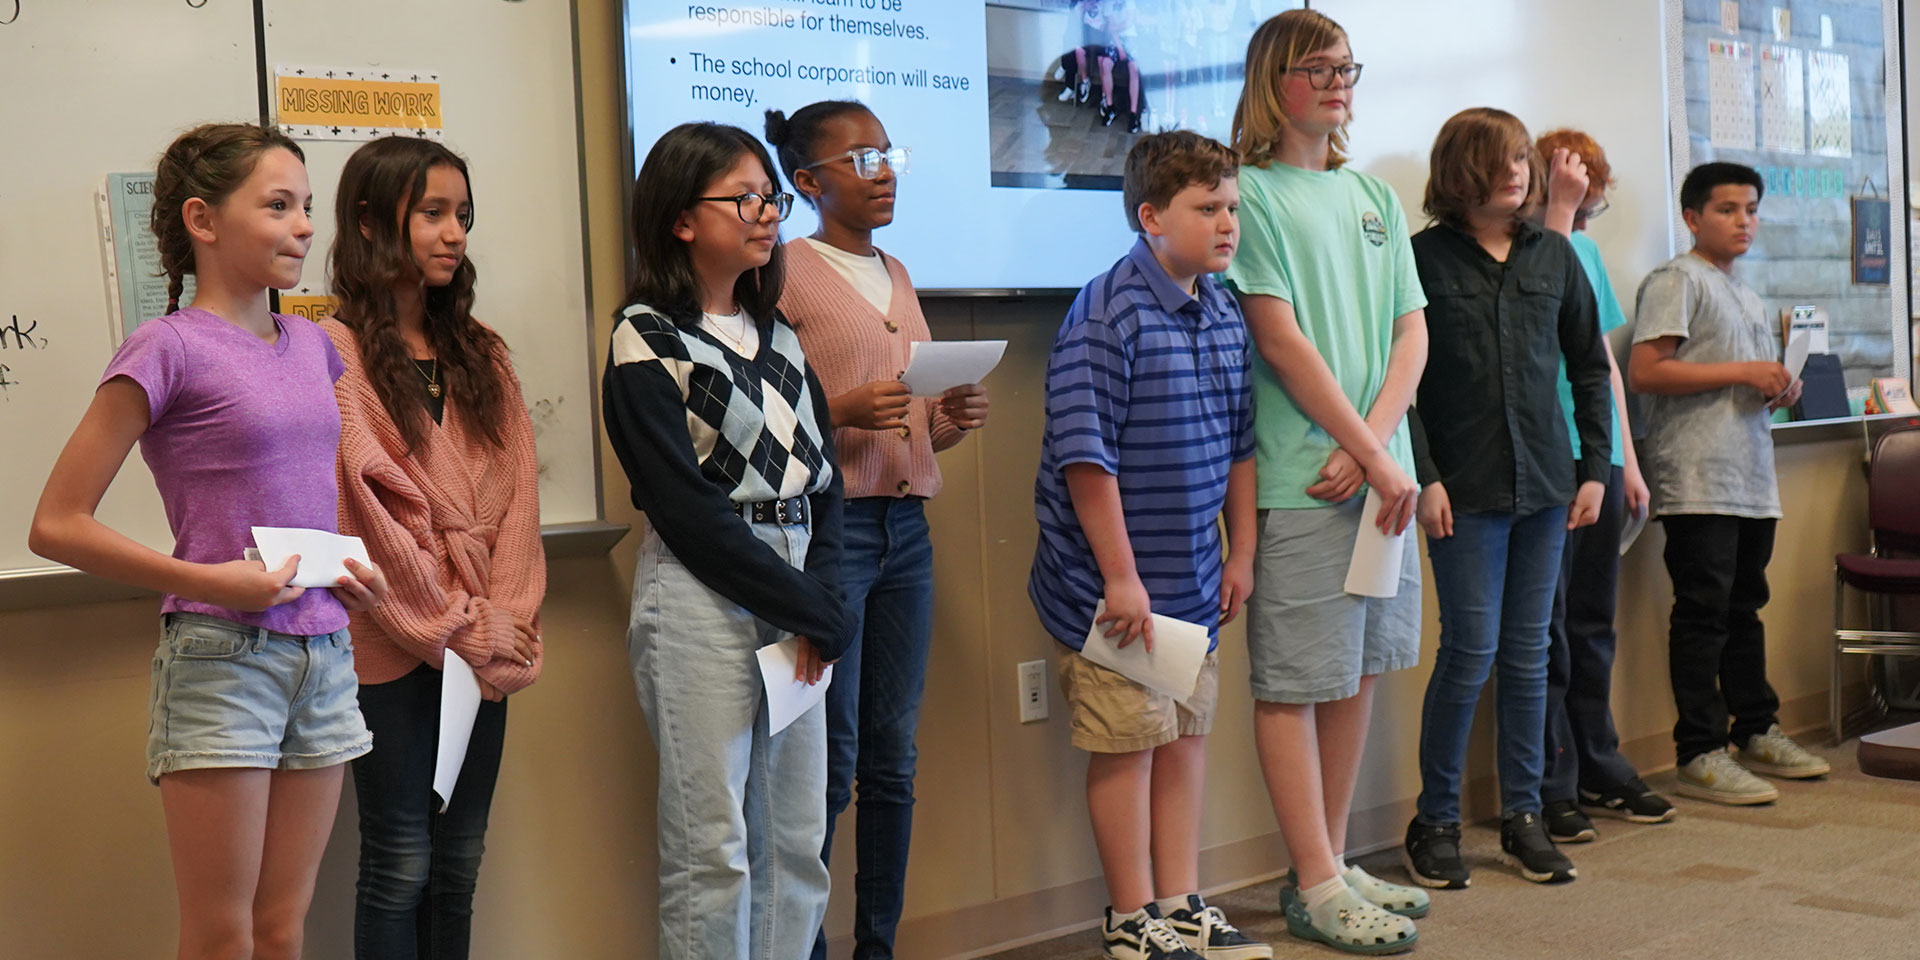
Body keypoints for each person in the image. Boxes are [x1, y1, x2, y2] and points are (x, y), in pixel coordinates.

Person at [29, 122, 387, 960]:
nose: (304, 225)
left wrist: (348, 569)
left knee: (280, 928)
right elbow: (55, 524)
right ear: (203, 218)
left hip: (324, 651)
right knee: (223, 934)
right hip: (222, 657)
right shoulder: (167, 347)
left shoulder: (314, 346)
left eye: (305, 207)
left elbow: (305, 490)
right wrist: (215, 581)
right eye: (277, 205)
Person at [602, 120, 852, 960]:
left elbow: (825, 481)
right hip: (704, 599)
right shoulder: (646, 337)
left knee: (795, 837)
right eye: (742, 197)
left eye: (771, 196)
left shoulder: (778, 333)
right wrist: (808, 607)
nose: (766, 213)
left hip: (795, 594)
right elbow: (687, 511)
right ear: (681, 218)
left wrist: (823, 600)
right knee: (712, 849)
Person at [1029, 129, 1268, 960]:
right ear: (1150, 216)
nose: (1227, 224)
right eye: (1208, 209)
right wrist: (1122, 578)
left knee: (1185, 739)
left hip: (1193, 582)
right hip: (1115, 592)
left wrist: (1239, 554)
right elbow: (1084, 459)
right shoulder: (1106, 312)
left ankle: (1178, 902)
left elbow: (1242, 445)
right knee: (1130, 745)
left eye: (1232, 207)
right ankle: (1130, 917)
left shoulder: (1225, 306)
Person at [763, 100, 990, 960]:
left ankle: (878, 947)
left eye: (887, 153)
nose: (884, 170)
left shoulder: (897, 272)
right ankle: (804, 946)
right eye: (860, 160)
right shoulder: (782, 273)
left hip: (907, 536)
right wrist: (838, 411)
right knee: (828, 763)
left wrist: (950, 422)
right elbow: (772, 416)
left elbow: (905, 432)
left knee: (893, 758)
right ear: (808, 182)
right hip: (833, 538)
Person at [1222, 8, 1426, 953]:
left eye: (1349, 66)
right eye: (1321, 66)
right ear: (1277, 79)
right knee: (1298, 682)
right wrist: (1361, 449)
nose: (1341, 80)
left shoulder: (1375, 196)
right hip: (1309, 482)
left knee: (1358, 673)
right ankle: (1308, 872)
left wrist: (1380, 447)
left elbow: (1409, 331)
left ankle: (1333, 863)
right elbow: (1279, 336)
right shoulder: (1251, 194)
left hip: (1381, 480)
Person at [322, 135, 546, 959]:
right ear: (373, 222)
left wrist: (502, 620)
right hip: (392, 644)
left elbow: (520, 501)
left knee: (460, 861)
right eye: (433, 214)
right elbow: (370, 516)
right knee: (399, 863)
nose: (455, 233)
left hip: (485, 646)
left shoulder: (483, 353)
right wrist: (457, 624)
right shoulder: (334, 356)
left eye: (463, 215)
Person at [1406, 106, 1613, 888]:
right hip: (1463, 491)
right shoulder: (1421, 260)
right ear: (1461, 171)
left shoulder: (1554, 259)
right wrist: (1424, 476)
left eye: (1523, 157)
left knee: (1530, 657)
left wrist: (1594, 466)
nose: (1519, 171)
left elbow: (1589, 368)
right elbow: (1404, 385)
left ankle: (1524, 816)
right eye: (1502, 159)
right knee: (1468, 654)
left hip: (1548, 487)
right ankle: (1436, 822)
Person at [1628, 161, 1830, 805]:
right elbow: (1647, 371)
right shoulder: (1675, 279)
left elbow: (1730, 383)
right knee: (1703, 613)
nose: (1743, 221)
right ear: (1692, 217)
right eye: (1727, 210)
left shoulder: (1745, 292)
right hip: (1696, 477)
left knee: (1745, 609)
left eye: (1751, 210)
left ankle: (1757, 729)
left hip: (1749, 476)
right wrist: (1745, 369)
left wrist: (1775, 385)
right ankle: (1699, 751)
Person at [1529, 129, 1675, 842]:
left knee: (1593, 626)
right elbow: (1541, 330)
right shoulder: (1530, 252)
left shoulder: (1583, 250)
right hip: (1548, 459)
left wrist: (1632, 462)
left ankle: (1601, 762)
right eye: (1573, 188)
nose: (1585, 209)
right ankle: (1550, 781)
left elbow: (1603, 364)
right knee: (1546, 630)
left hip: (1602, 456)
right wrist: (1557, 214)